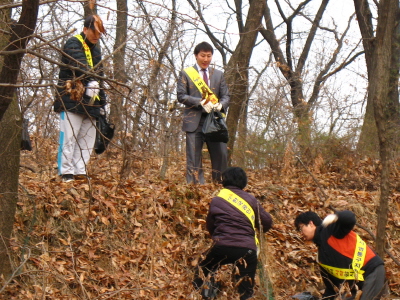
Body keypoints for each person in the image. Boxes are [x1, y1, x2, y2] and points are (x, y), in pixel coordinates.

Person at [193, 167, 273, 300]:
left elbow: (210, 225)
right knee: (245, 290)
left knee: (202, 270)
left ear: (224, 180)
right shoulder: (251, 200)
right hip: (247, 249)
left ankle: (204, 294)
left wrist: (219, 238)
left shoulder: (217, 200)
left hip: (222, 246)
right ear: (244, 182)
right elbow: (267, 222)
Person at [54, 15, 107, 182]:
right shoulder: (73, 43)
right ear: (85, 29)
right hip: (72, 99)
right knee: (69, 136)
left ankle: (80, 171)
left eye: (99, 33)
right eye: (94, 31)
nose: (96, 36)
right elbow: (79, 63)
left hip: (91, 103)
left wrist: (102, 102)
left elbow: (100, 76)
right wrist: (90, 80)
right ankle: (66, 172)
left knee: (87, 139)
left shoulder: (96, 49)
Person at [294, 210, 385, 300]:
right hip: (356, 284)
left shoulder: (331, 230)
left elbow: (349, 218)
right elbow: (331, 288)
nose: (300, 233)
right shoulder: (321, 256)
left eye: (301, 228)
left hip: (372, 271)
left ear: (311, 223)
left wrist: (335, 217)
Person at [177, 41, 230, 184]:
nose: (206, 59)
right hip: (194, 121)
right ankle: (195, 188)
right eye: (202, 56)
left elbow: (226, 96)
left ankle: (219, 186)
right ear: (196, 56)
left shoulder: (219, 75)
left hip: (215, 122)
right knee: (193, 158)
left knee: (221, 156)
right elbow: (181, 96)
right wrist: (199, 102)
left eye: (209, 56)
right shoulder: (186, 74)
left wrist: (221, 105)